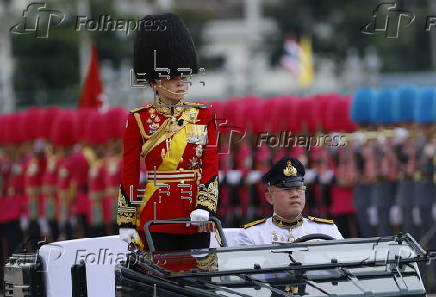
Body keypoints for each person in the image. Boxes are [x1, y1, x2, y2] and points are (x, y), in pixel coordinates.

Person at [118, 13, 219, 251]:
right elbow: (130, 173)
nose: (181, 82)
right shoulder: (138, 120)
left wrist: (205, 207)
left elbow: (211, 165)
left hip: (196, 214)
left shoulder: (204, 116)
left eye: (183, 76)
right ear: (154, 82)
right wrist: (126, 219)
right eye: (173, 77)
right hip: (157, 211)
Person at [239, 157, 343, 246]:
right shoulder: (252, 236)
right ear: (270, 197)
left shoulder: (327, 230)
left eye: (299, 188)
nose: (295, 194)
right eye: (287, 189)